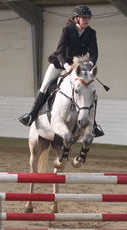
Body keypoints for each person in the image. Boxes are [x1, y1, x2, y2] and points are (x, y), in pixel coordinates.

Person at [18, 4, 104, 137]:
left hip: (80, 66)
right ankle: (31, 115)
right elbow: (59, 51)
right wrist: (66, 66)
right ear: (76, 19)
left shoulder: (91, 33)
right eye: (84, 18)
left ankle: (93, 125)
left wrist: (90, 64)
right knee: (45, 86)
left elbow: (94, 53)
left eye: (88, 18)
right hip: (60, 63)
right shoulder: (67, 30)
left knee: (89, 91)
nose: (86, 20)